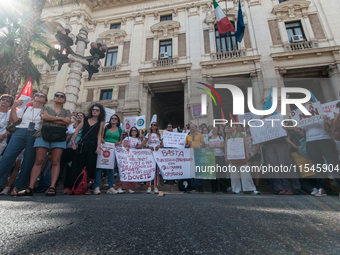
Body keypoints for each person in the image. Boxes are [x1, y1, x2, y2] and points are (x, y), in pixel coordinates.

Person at [18, 92, 71, 196]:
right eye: (57, 95)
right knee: (39, 160)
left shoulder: (67, 111)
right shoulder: (46, 108)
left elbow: (67, 122)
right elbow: (44, 117)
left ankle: (52, 186)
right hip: (43, 134)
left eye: (62, 96)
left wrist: (52, 118)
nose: (59, 97)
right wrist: (61, 119)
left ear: (65, 100)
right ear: (54, 98)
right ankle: (31, 187)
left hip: (59, 136)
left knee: (56, 161)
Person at [0, 93, 47, 195]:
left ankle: (17, 187)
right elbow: (14, 120)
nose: (39, 96)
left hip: (35, 133)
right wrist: (14, 106)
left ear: (45, 101)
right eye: (37, 95)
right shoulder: (26, 109)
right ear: (33, 98)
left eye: (42, 96)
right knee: (7, 157)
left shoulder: (46, 111)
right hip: (20, 132)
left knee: (28, 161)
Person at [301, 102, 340, 196]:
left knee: (333, 164)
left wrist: (327, 121)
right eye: (305, 106)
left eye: (309, 105)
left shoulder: (321, 115)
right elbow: (304, 135)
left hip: (324, 140)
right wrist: (298, 130)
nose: (307, 107)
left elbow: (329, 129)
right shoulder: (302, 119)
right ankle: (322, 188)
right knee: (317, 166)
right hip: (310, 142)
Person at [66, 104, 105, 195]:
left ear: (100, 112)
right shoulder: (86, 118)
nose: (94, 111)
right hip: (82, 145)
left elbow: (99, 135)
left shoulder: (101, 121)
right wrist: (73, 141)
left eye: (97, 110)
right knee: (77, 165)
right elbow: (77, 130)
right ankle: (74, 187)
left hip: (93, 145)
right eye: (93, 109)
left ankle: (86, 188)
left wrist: (99, 146)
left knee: (90, 166)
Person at [225, 124, 259, 195]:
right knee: (234, 173)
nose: (231, 127)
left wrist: (246, 153)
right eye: (229, 126)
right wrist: (226, 155)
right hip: (232, 156)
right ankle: (236, 189)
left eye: (232, 125)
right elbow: (226, 146)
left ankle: (249, 188)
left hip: (241, 155)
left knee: (245, 172)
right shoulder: (228, 136)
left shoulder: (241, 134)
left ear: (235, 126)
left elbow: (245, 144)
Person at [94, 114, 123, 195]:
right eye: (112, 118)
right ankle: (96, 186)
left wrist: (118, 142)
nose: (113, 119)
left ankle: (110, 187)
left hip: (113, 150)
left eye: (115, 118)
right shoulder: (105, 128)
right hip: (104, 148)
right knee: (99, 167)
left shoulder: (120, 130)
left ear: (118, 120)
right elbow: (99, 136)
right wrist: (102, 139)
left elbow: (121, 141)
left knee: (111, 169)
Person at [61, 112, 85, 194]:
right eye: (78, 115)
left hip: (76, 149)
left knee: (71, 168)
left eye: (81, 116)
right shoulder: (70, 124)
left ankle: (69, 186)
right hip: (65, 148)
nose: (79, 116)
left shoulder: (84, 127)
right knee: (61, 166)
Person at [116, 126, 142, 194]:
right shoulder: (127, 138)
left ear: (137, 132)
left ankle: (129, 187)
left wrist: (139, 146)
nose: (133, 131)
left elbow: (139, 147)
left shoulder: (138, 139)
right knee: (126, 172)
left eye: (135, 130)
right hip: (127, 157)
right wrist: (125, 147)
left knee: (132, 173)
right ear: (130, 132)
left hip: (135, 158)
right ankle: (120, 187)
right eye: (132, 130)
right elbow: (123, 146)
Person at [205, 126, 227, 193]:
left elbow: (223, 145)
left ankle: (223, 189)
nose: (213, 130)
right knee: (213, 174)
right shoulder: (208, 138)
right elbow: (206, 147)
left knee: (222, 173)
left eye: (215, 129)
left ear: (217, 131)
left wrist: (214, 146)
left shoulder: (220, 137)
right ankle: (214, 189)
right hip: (212, 157)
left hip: (220, 156)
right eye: (212, 129)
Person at [185, 123, 205, 192]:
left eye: (193, 127)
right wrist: (187, 146)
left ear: (196, 128)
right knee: (191, 171)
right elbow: (185, 146)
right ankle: (193, 186)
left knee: (199, 170)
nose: (192, 128)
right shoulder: (188, 136)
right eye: (190, 127)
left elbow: (203, 144)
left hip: (198, 154)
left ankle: (200, 186)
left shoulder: (200, 135)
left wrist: (198, 147)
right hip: (190, 155)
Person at [145, 121, 163, 194]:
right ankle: (149, 186)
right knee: (149, 169)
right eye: (152, 125)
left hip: (157, 153)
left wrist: (159, 146)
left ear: (157, 126)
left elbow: (163, 144)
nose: (153, 126)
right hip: (150, 153)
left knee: (156, 170)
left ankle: (156, 186)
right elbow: (144, 144)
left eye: (154, 125)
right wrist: (149, 146)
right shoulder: (148, 135)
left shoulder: (160, 135)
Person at [245, 125, 261, 191]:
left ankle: (257, 186)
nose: (248, 130)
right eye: (247, 129)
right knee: (247, 171)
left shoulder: (256, 137)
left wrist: (253, 154)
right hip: (247, 156)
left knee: (256, 171)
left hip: (255, 155)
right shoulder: (245, 138)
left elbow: (258, 146)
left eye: (250, 129)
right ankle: (250, 185)